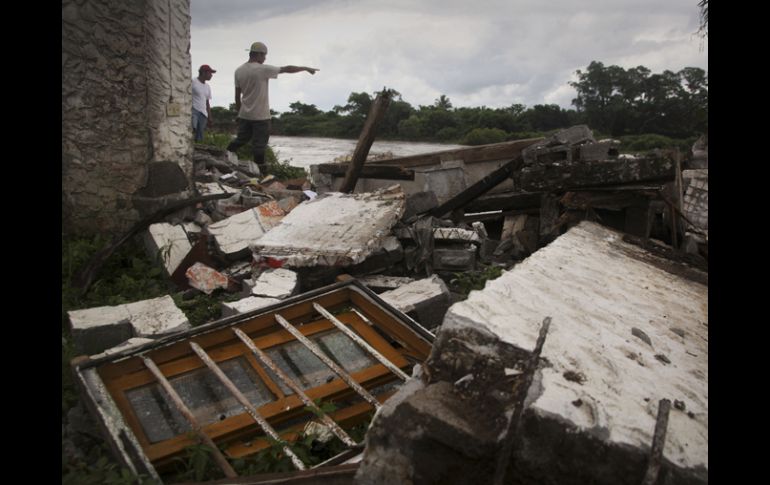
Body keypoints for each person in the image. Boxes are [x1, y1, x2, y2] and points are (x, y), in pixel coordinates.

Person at [226, 42, 318, 175]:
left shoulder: (239, 70)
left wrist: (239, 114)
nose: (265, 59)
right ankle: (260, 174)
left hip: (245, 115)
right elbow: (287, 69)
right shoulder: (262, 69)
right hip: (261, 116)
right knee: (259, 146)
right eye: (264, 55)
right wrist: (305, 68)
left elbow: (237, 96)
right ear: (258, 54)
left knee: (240, 140)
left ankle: (225, 156)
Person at [192, 64, 216, 142]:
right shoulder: (193, 82)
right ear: (203, 73)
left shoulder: (207, 87)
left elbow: (207, 102)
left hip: (203, 114)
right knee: (193, 129)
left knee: (200, 136)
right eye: (210, 73)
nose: (211, 75)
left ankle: (197, 151)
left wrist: (210, 117)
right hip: (193, 110)